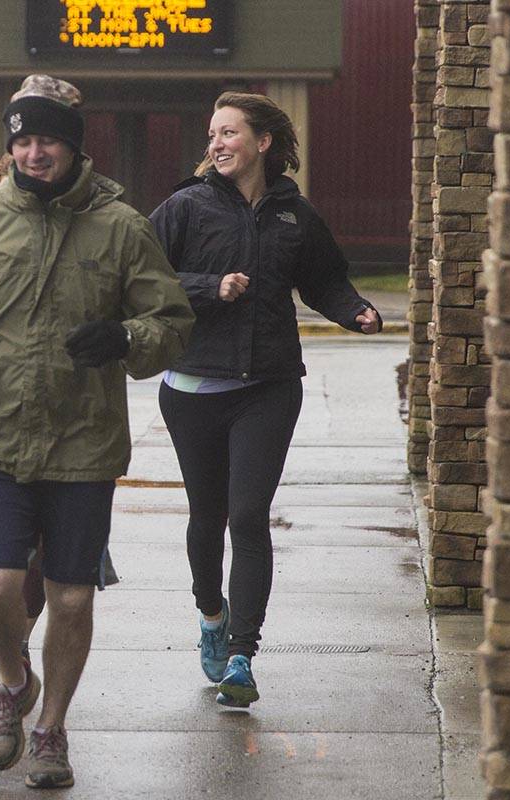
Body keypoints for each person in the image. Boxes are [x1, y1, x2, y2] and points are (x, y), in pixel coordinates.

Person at [0, 74, 194, 789]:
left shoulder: (121, 226)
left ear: (73, 146)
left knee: (70, 598)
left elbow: (171, 322)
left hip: (82, 442)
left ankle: (51, 729)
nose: (35, 153)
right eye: (24, 141)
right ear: (11, 147)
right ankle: (14, 683)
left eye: (49, 141)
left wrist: (125, 337)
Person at [149, 91, 382, 708]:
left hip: (269, 386)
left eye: (228, 132)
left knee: (249, 516)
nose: (217, 143)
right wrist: (209, 286)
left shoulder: (294, 214)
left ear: (263, 141)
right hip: (194, 387)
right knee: (207, 516)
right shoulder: (186, 206)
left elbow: (325, 280)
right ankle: (210, 612)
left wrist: (354, 310)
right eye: (213, 134)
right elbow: (141, 278)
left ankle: (241, 656)